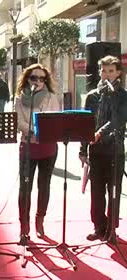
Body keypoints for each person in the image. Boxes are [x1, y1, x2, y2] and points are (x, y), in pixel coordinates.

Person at [79, 55, 127, 241]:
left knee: (113, 191)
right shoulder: (92, 96)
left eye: (110, 71)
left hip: (115, 150)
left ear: (118, 73)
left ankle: (111, 229)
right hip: (96, 152)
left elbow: (118, 120)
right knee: (96, 193)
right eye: (103, 70)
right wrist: (83, 150)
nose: (106, 74)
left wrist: (100, 133)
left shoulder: (123, 96)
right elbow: (84, 123)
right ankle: (99, 226)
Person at [15, 64, 60, 244]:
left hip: (48, 147)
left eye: (42, 78)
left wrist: (44, 131)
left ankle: (39, 220)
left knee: (44, 186)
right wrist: (32, 132)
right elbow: (18, 120)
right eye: (34, 78)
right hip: (28, 147)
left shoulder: (51, 97)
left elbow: (55, 117)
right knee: (25, 189)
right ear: (27, 79)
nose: (38, 81)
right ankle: (23, 227)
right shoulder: (19, 98)